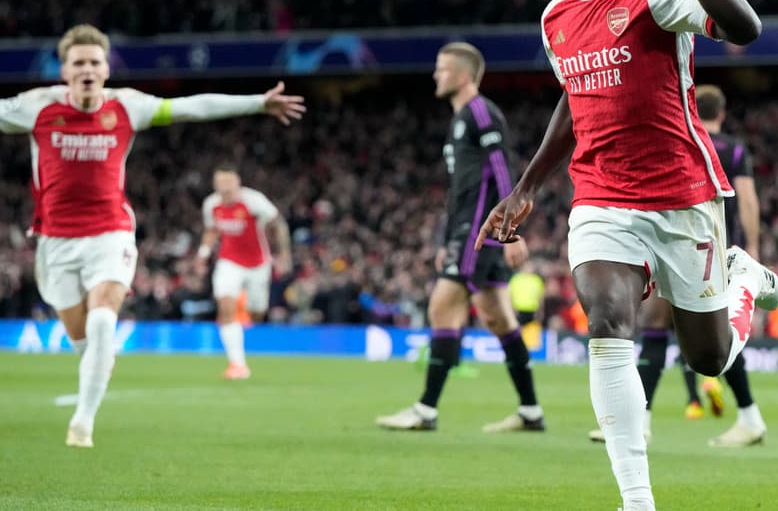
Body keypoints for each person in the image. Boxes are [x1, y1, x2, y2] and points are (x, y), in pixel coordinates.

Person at [476, 0, 778, 510]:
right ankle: (637, 501)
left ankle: (743, 280)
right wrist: (527, 185)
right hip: (601, 199)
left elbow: (746, 28)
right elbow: (573, 100)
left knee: (708, 360)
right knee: (609, 321)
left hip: (683, 196)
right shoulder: (555, 15)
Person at [0, 24, 304, 448]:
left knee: (104, 316)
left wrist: (257, 103)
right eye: (78, 63)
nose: (87, 69)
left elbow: (192, 107)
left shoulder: (128, 106)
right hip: (55, 241)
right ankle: (98, 362)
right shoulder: (36, 107)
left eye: (94, 62)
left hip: (111, 233)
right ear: (64, 69)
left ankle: (82, 424)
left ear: (106, 68)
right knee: (84, 342)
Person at [376, 42, 545, 433]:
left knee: (441, 307)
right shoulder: (458, 121)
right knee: (498, 317)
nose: (436, 75)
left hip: (480, 231)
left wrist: (510, 229)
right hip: (463, 230)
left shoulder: (481, 113)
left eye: (443, 69)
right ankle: (531, 412)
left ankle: (426, 410)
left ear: (464, 75)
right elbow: (461, 189)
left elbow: (504, 171)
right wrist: (445, 240)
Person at [587, 84, 769, 448]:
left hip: (675, 242)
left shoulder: (683, 139)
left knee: (656, 325)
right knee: (716, 336)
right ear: (723, 112)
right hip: (716, 251)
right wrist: (751, 249)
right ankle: (748, 418)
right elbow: (747, 202)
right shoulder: (733, 149)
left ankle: (643, 422)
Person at [195, 164, 292, 380]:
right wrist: (203, 254)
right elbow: (212, 231)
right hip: (229, 262)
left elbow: (279, 224)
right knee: (225, 306)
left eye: (228, 184)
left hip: (258, 264)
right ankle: (237, 365)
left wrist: (284, 254)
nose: (225, 189)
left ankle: (244, 314)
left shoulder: (254, 201)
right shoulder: (211, 204)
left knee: (256, 312)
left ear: (237, 183)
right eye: (220, 185)